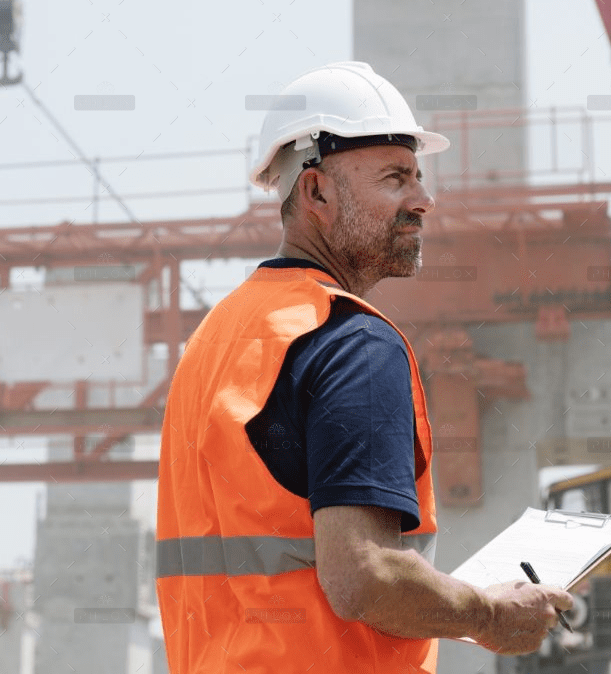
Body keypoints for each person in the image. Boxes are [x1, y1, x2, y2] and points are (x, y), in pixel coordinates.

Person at [155, 61, 572, 673]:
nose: (424, 200)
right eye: (395, 178)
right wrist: (488, 615)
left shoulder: (213, 341)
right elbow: (363, 576)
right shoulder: (352, 343)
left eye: (418, 177)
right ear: (316, 192)